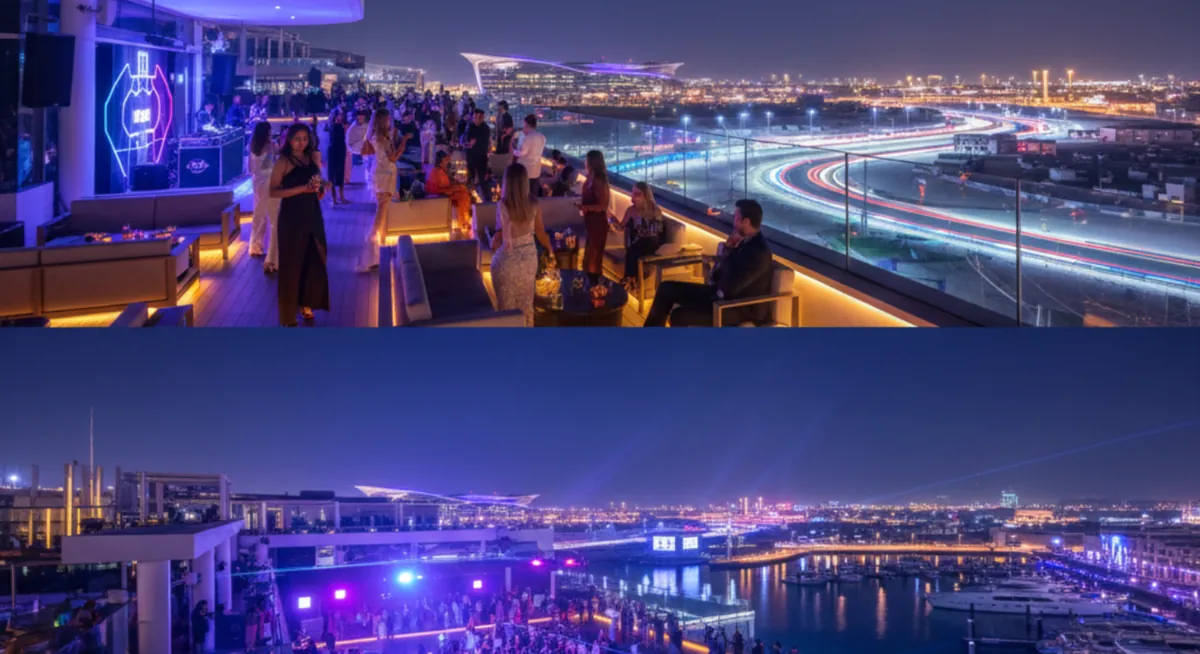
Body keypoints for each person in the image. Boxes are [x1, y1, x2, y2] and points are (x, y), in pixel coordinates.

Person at [643, 199, 773, 327]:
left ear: (746, 222)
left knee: (679, 316)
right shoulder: (744, 242)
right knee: (666, 288)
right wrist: (728, 249)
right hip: (720, 294)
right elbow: (722, 274)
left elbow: (734, 286)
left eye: (736, 218)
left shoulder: (759, 252)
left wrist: (710, 291)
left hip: (737, 307)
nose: (734, 221)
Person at [269, 123, 330, 327]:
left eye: (305, 138)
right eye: (297, 138)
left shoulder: (312, 157)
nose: (301, 142)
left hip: (312, 213)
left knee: (314, 258)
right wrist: (301, 189)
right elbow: (273, 192)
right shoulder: (283, 161)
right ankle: (288, 313)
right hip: (291, 218)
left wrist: (322, 187)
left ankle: (307, 303)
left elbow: (317, 182)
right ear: (289, 139)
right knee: (291, 265)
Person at [490, 164, 552, 325]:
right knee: (526, 306)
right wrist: (551, 252)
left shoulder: (503, 204)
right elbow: (541, 233)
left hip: (507, 262)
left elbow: (500, 238)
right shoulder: (534, 203)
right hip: (529, 261)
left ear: (507, 183)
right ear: (525, 182)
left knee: (507, 310)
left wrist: (492, 245)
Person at [360, 108, 407, 271]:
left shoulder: (378, 137)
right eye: (387, 120)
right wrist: (404, 142)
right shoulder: (381, 138)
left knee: (382, 214)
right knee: (380, 216)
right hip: (384, 175)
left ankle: (378, 252)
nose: (390, 122)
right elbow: (393, 158)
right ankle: (370, 256)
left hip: (381, 174)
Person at [611, 181, 666, 291]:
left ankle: (629, 280)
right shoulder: (631, 210)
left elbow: (659, 232)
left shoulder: (656, 210)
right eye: (633, 193)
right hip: (641, 243)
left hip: (654, 244)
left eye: (638, 193)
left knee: (635, 250)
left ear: (646, 195)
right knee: (633, 251)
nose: (634, 196)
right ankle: (630, 280)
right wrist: (611, 219)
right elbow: (621, 227)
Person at [248, 122, 280, 271]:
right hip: (269, 182)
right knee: (274, 215)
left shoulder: (253, 146)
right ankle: (273, 249)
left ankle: (255, 245)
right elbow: (269, 167)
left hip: (257, 183)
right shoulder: (270, 146)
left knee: (258, 213)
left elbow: (250, 168)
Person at [576, 150, 611, 284]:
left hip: (598, 222)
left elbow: (603, 205)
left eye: (586, 160)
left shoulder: (599, 181)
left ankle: (594, 286)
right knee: (590, 254)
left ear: (591, 163)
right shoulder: (590, 178)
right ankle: (590, 284)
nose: (584, 162)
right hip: (590, 221)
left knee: (594, 256)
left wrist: (586, 208)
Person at [426, 150, 474, 235]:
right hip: (440, 195)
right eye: (446, 160)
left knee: (463, 190)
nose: (447, 162)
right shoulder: (437, 172)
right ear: (441, 161)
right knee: (463, 193)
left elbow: (447, 184)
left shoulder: (441, 170)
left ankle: (464, 220)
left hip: (445, 192)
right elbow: (440, 188)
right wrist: (453, 189)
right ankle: (463, 222)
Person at [512, 114, 547, 197]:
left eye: (524, 125)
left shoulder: (528, 137)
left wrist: (514, 151)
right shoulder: (542, 137)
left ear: (527, 124)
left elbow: (522, 152)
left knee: (524, 194)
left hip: (525, 170)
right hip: (536, 170)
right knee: (533, 194)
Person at [326, 110, 349, 204]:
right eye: (338, 115)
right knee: (331, 174)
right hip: (333, 151)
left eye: (341, 115)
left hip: (340, 150)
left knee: (340, 173)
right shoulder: (333, 126)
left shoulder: (340, 126)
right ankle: (334, 198)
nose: (340, 117)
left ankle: (341, 197)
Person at [465, 108, 491, 188]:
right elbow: (468, 140)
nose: (476, 119)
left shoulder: (485, 128)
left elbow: (472, 141)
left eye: (478, 117)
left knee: (481, 178)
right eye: (475, 117)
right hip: (472, 156)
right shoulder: (471, 126)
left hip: (481, 156)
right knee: (472, 176)